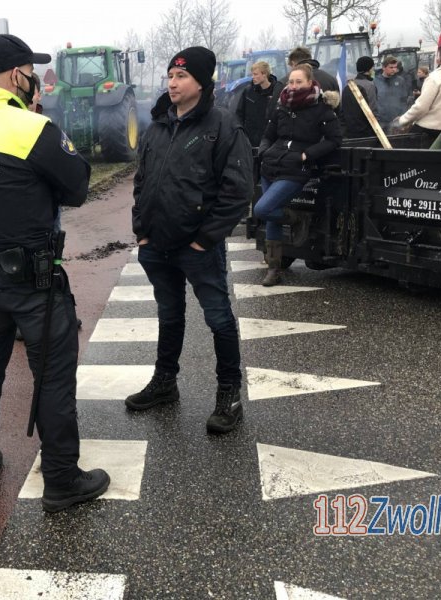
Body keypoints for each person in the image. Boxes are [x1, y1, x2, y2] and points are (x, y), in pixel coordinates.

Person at [0, 33, 110, 512]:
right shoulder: (31, 127)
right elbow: (78, 186)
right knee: (53, 376)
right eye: (32, 72)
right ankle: (61, 478)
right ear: (18, 75)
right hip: (34, 282)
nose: (35, 80)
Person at [129, 46, 253, 434]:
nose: (172, 82)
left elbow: (238, 190)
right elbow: (141, 181)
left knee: (219, 319)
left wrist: (205, 239)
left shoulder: (222, 126)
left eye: (181, 76)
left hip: (197, 248)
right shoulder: (157, 126)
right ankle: (165, 382)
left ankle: (229, 394)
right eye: (170, 75)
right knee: (169, 314)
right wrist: (141, 231)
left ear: (201, 82)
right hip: (157, 244)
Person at [255, 64, 341, 287]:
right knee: (270, 216)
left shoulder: (322, 108)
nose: (293, 86)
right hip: (270, 165)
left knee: (263, 209)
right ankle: (274, 269)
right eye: (291, 82)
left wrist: (307, 155)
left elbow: (334, 139)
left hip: (295, 169)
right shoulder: (281, 105)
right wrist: (264, 151)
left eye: (299, 82)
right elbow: (268, 134)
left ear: (310, 82)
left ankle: (297, 218)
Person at [235, 60, 285, 147]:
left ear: (264, 74)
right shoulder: (248, 91)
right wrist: (241, 133)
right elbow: (239, 113)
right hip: (249, 139)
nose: (253, 77)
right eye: (252, 74)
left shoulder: (277, 93)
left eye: (255, 74)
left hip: (268, 140)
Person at [340, 56, 379, 139]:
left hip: (349, 133)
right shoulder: (369, 86)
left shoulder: (348, 86)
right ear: (369, 69)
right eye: (372, 67)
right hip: (365, 133)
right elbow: (372, 110)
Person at [375, 56, 413, 128]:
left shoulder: (400, 80)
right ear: (383, 68)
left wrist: (402, 115)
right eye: (391, 67)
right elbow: (373, 100)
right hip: (380, 120)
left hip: (395, 119)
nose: (394, 69)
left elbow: (404, 99)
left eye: (395, 67)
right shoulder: (376, 81)